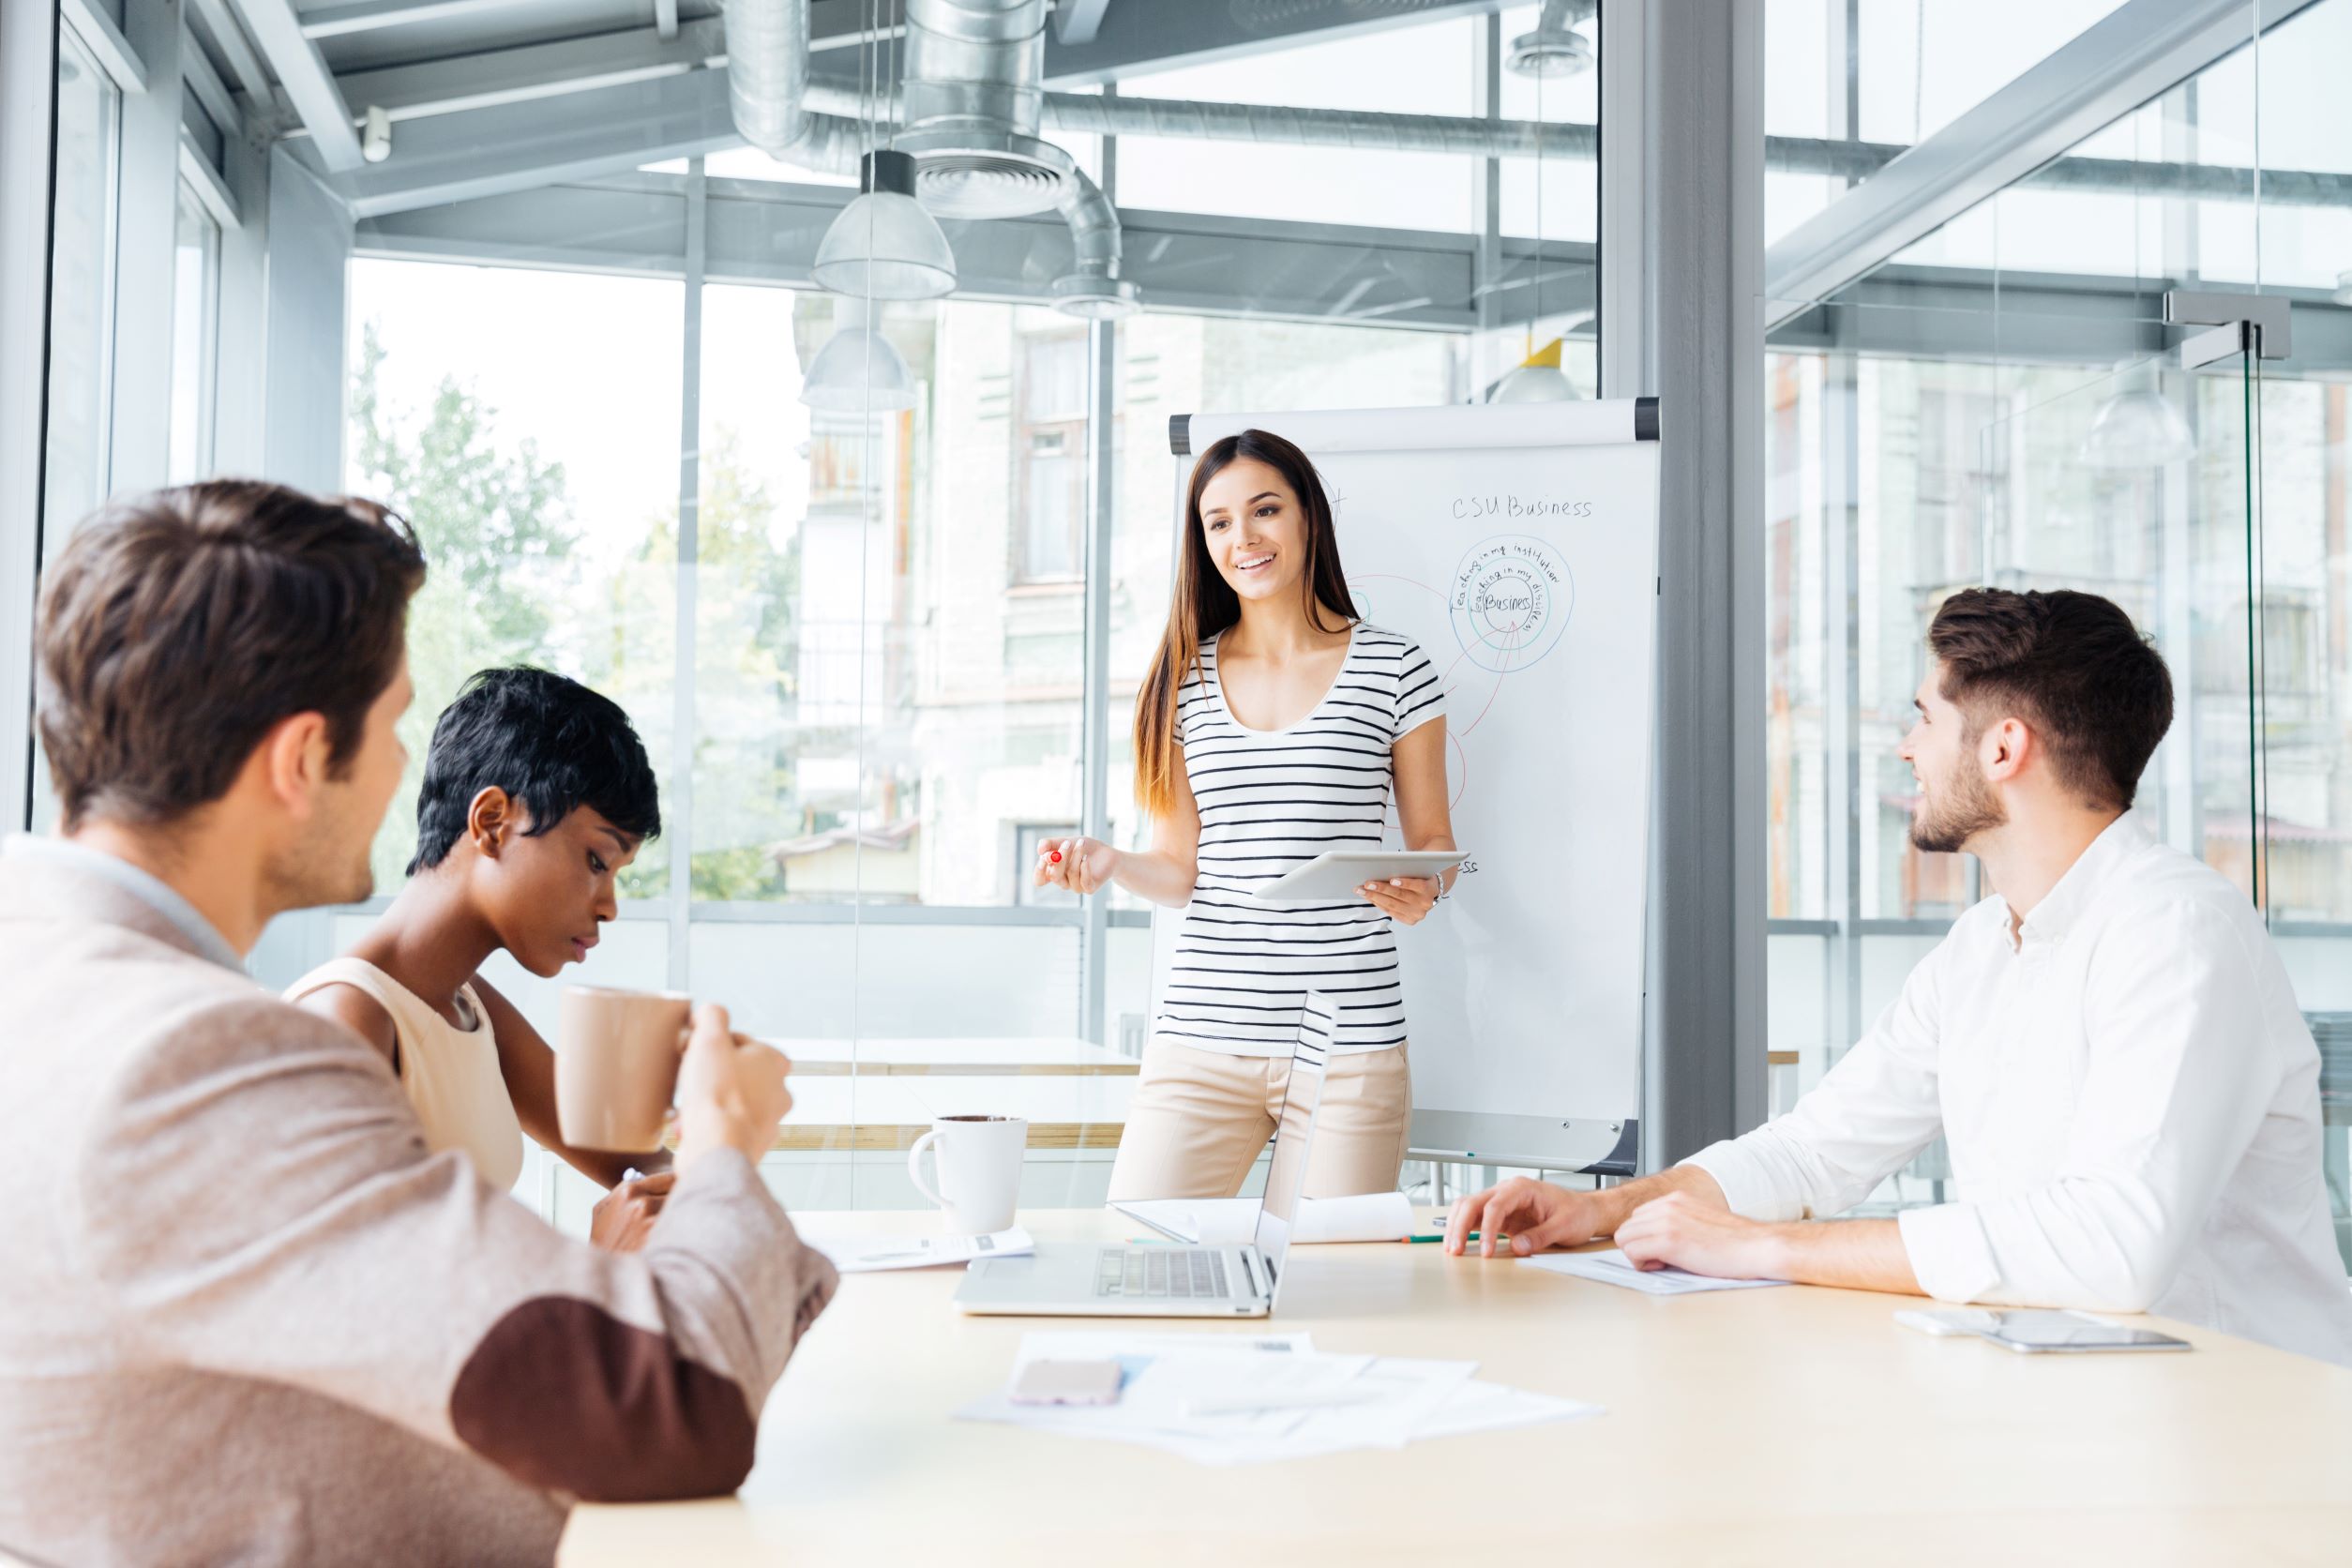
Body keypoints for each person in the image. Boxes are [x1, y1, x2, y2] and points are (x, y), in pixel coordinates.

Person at [0, 481, 838, 1567]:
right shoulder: (199, 1056)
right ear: (303, 758)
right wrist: (724, 1145)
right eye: (393, 721)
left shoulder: (51, 977)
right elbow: (669, 1413)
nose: (405, 768)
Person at [1446, 587, 2352, 1367]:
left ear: (2004, 748)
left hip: (2236, 1417)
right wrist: (1601, 1210)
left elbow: (2112, 1247)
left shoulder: (2177, 930)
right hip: (2075, 1401)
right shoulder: (1980, 947)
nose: (1906, 749)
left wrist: (1765, 1248)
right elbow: (1814, 1151)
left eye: (1924, 718)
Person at [1042, 428, 1458, 1202]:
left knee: (1332, 1287)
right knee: (1142, 1259)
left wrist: (1427, 885)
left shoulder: (1396, 666)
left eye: (1265, 510)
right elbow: (1179, 872)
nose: (1245, 538)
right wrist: (1113, 863)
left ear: (1307, 518)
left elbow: (1435, 842)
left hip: (1348, 1048)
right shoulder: (1183, 679)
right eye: (1220, 522)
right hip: (1201, 1041)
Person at [288, 666, 674, 1250]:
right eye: (597, 861)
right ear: (492, 822)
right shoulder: (347, 1022)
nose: (609, 907)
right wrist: (604, 1269)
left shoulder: (464, 1001)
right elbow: (360, 1319)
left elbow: (642, 1160)